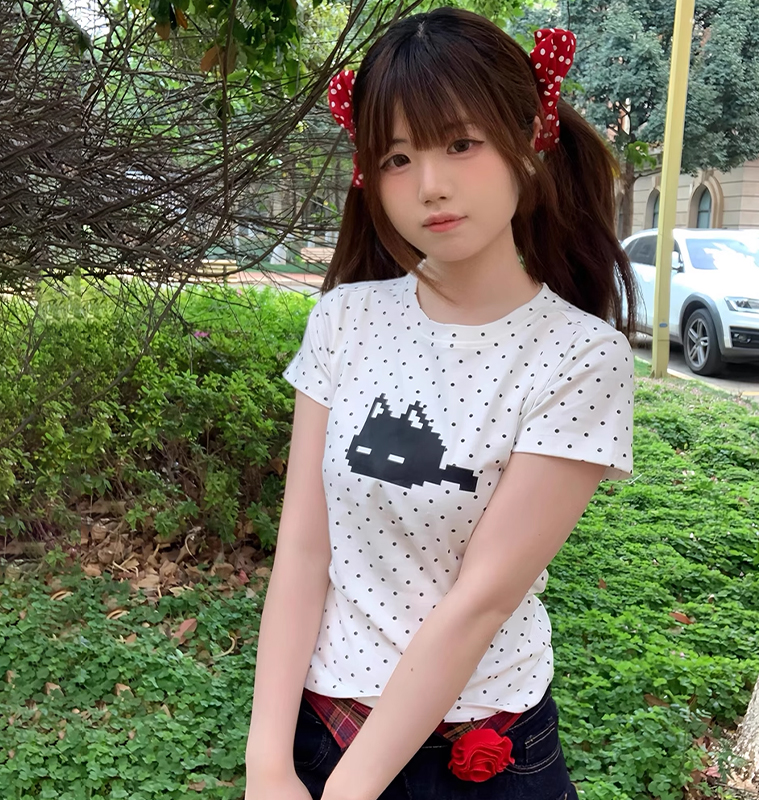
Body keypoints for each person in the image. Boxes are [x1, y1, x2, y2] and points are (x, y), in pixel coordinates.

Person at [245, 7, 637, 800]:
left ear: (528, 137)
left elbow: (480, 602)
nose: (430, 186)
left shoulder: (579, 356)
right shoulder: (345, 321)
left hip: (477, 752)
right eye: (398, 157)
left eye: (460, 143)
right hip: (321, 730)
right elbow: (303, 553)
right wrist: (268, 766)